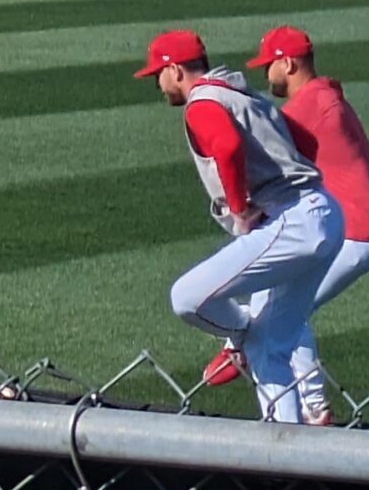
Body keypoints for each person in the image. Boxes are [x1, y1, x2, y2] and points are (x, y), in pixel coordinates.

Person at [143, 28, 343, 424]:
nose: (157, 83)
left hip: (292, 219)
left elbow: (228, 146)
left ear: (176, 71)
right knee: (270, 350)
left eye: (158, 74)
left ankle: (238, 333)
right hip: (324, 215)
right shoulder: (242, 93)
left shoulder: (201, 102)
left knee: (186, 297)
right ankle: (284, 452)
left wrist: (239, 209)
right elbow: (300, 142)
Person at [200, 25, 369, 397]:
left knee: (282, 311)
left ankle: (268, 374)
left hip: (359, 230)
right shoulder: (324, 96)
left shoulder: (305, 107)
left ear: (288, 63)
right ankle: (306, 401)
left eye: (270, 66)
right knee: (287, 306)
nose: (266, 74)